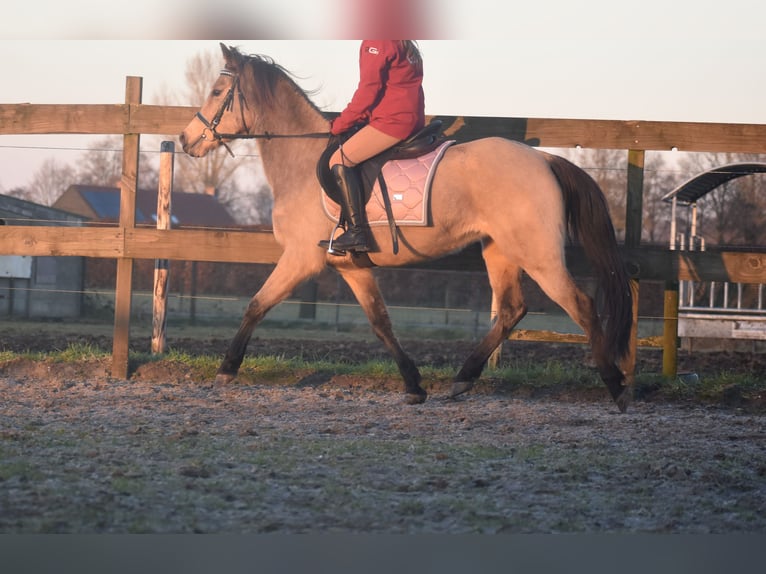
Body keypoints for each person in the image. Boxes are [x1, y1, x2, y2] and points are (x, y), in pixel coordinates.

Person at [320, 40, 425, 253]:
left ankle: (357, 232)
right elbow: (390, 88)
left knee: (338, 160)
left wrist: (340, 124)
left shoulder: (378, 40)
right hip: (410, 117)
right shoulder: (404, 41)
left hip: (393, 121)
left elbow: (368, 90)